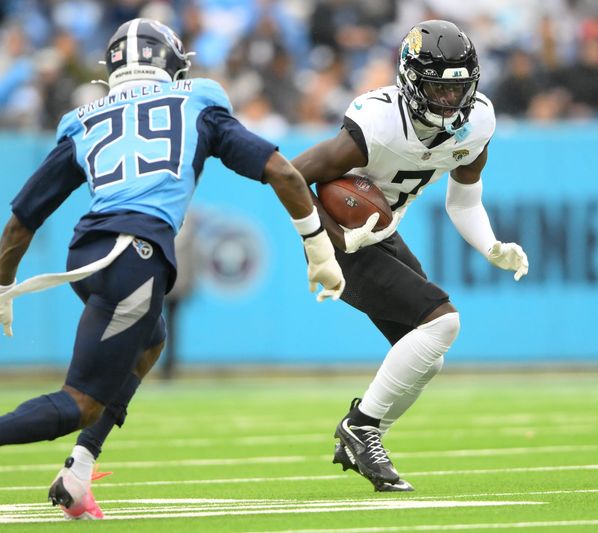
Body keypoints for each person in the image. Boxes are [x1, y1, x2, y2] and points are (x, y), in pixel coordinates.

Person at [0, 18, 344, 519]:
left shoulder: (83, 120)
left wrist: (3, 284)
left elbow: (20, 223)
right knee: (80, 402)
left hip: (91, 251)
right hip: (134, 255)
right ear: (171, 64)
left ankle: (77, 471)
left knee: (152, 336)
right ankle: (75, 461)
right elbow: (284, 173)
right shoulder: (197, 100)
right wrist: (319, 247)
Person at [291, 20, 528, 492]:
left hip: (380, 232)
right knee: (443, 322)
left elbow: (464, 201)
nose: (449, 101)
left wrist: (490, 245)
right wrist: (325, 240)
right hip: (345, 241)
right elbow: (292, 176)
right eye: (438, 88)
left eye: (458, 89)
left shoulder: (477, 121)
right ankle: (361, 427)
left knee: (427, 353)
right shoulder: (376, 124)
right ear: (411, 81)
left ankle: (364, 434)